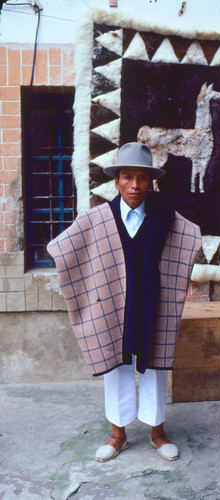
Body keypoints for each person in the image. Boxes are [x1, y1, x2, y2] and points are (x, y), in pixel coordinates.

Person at [47, 142, 201, 462]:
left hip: (151, 302)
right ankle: (118, 435)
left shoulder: (164, 216)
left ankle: (157, 433)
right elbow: (63, 248)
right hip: (112, 303)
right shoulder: (98, 219)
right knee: (116, 366)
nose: (135, 185)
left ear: (150, 182)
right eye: (127, 177)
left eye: (142, 178)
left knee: (154, 365)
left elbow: (191, 238)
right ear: (115, 182)